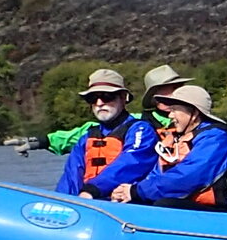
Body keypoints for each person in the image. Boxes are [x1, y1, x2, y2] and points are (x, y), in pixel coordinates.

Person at [108, 84, 227, 209]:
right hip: (192, 206)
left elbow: (188, 177)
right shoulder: (177, 139)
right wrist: (128, 191)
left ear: (194, 113)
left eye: (175, 110)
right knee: (135, 203)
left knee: (164, 205)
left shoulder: (216, 139)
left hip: (224, 211)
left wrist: (137, 191)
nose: (170, 116)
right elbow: (157, 174)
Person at [54, 68, 155, 199]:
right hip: (90, 202)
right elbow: (71, 177)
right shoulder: (86, 137)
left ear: (123, 98)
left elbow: (132, 162)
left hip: (126, 204)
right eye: (92, 98)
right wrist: (62, 202)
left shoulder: (141, 131)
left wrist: (93, 190)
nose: (99, 103)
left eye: (107, 96)